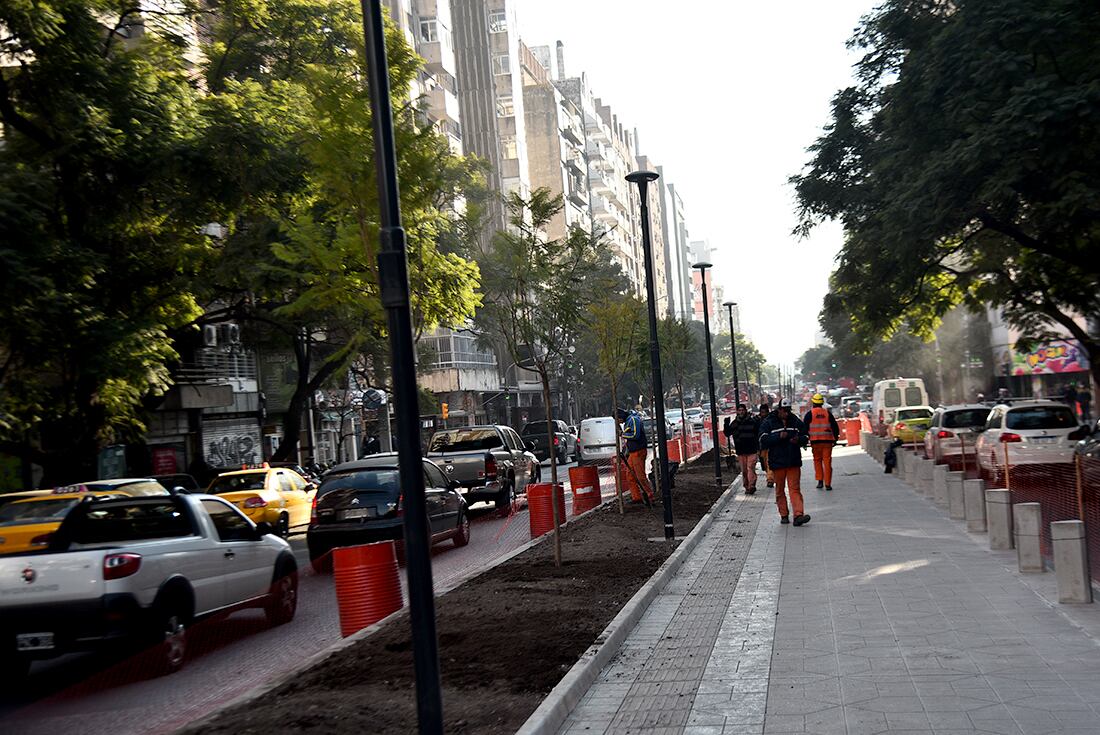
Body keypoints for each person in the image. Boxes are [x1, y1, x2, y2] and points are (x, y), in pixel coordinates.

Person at [759, 398, 810, 526]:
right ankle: (784, 514)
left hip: (793, 461)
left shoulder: (795, 420)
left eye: (788, 411)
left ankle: (798, 515)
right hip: (777, 463)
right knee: (780, 490)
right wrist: (777, 436)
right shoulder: (769, 422)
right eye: (784, 411)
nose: (786, 414)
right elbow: (762, 439)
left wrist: (798, 440)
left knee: (795, 489)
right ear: (779, 410)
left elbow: (806, 436)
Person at [804, 393, 840, 491]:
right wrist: (836, 439)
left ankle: (820, 481)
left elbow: (804, 428)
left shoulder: (809, 414)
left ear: (813, 403)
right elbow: (835, 427)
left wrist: (805, 439)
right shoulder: (827, 413)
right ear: (822, 403)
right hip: (827, 441)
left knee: (817, 461)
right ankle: (828, 484)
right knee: (827, 462)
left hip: (815, 442)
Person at [617, 407, 653, 507]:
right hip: (633, 452)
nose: (619, 422)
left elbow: (635, 435)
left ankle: (649, 495)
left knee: (640, 476)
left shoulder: (633, 420)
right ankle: (636, 498)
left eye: (618, 419)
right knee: (630, 475)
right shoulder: (628, 421)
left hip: (638, 451)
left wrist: (623, 435)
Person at [730, 405, 761, 494]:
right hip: (741, 451)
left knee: (750, 468)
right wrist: (726, 424)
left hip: (751, 449)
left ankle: (752, 485)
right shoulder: (735, 423)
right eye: (739, 410)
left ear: (746, 411)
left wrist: (758, 447)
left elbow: (758, 433)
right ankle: (747, 486)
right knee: (744, 471)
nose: (741, 412)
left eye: (743, 410)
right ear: (737, 412)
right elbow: (728, 433)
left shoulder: (752, 422)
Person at [757, 403, 774, 488]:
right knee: (764, 464)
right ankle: (769, 476)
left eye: (764, 412)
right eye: (762, 412)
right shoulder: (758, 420)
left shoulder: (771, 420)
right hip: (761, 446)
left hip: (770, 445)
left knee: (769, 463)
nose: (763, 414)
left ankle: (770, 480)